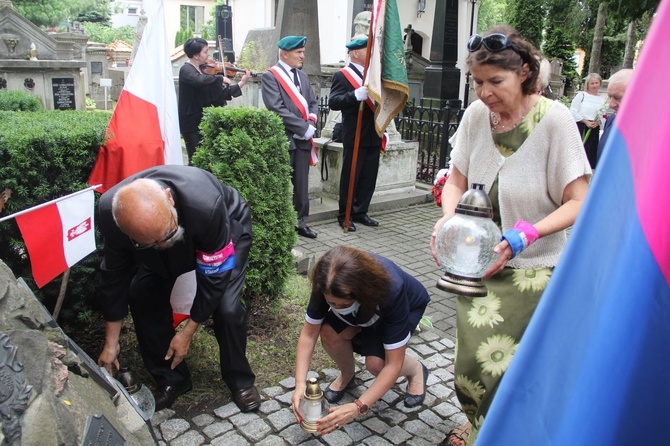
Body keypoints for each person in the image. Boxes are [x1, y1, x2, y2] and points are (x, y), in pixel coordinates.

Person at [429, 26, 591, 445]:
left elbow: (579, 202)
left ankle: (494, 434)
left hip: (532, 271)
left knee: (507, 369)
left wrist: (528, 234)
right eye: (477, 82)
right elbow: (455, 179)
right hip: (477, 266)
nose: (484, 93)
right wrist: (450, 221)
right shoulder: (475, 117)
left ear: (523, 72)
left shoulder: (554, 121)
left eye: (495, 82)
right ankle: (479, 420)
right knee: (470, 365)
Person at [96, 165, 261, 413]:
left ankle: (240, 380)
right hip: (163, 230)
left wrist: (187, 333)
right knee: (141, 293)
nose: (163, 245)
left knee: (227, 307)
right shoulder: (111, 214)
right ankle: (173, 378)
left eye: (166, 235)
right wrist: (111, 343)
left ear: (169, 198)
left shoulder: (206, 204)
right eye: (150, 242)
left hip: (222, 226)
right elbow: (114, 276)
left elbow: (214, 279)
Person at [291, 246, 431, 434]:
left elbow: (393, 365)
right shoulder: (325, 281)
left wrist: (358, 406)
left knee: (377, 365)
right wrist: (300, 384)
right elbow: (309, 334)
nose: (337, 308)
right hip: (364, 308)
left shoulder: (392, 290)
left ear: (361, 292)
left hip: (401, 306)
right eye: (331, 303)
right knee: (329, 332)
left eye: (344, 304)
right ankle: (347, 375)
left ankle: (416, 370)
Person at [261, 35, 319, 239]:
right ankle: (278, 224)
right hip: (284, 140)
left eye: (303, 52)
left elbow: (313, 103)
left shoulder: (302, 77)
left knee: (302, 185)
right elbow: (276, 108)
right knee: (280, 185)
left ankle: (301, 222)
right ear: (285, 54)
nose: (303, 56)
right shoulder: (271, 76)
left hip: (303, 140)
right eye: (299, 52)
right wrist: (303, 127)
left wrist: (311, 123)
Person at [329, 37, 382, 231]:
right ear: (355, 53)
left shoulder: (373, 75)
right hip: (355, 132)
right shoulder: (342, 76)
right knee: (351, 175)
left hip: (373, 132)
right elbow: (334, 101)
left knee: (369, 175)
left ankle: (361, 212)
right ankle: (345, 215)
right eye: (367, 50)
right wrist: (353, 96)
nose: (371, 55)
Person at [179, 37, 251, 164]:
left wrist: (242, 82)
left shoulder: (204, 72)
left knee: (208, 160)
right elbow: (198, 81)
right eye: (206, 52)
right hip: (192, 124)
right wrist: (219, 79)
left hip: (205, 122)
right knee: (196, 159)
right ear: (195, 55)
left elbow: (221, 95)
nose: (208, 55)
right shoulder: (186, 70)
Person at [597, 68, 634, 164]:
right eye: (610, 97)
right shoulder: (611, 120)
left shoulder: (655, 132)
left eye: (618, 98)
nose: (611, 104)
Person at [570, 72, 607, 169]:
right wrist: (585, 121)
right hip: (582, 125)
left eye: (596, 83)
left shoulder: (602, 99)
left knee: (590, 152)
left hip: (594, 127)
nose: (594, 85)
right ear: (588, 84)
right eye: (592, 83)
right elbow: (573, 110)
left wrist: (598, 122)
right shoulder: (581, 96)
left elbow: (603, 114)